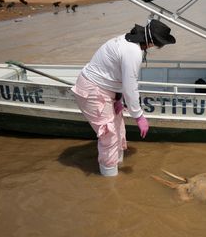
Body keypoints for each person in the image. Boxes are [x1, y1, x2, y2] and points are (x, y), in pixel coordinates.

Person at [71, 19, 176, 176]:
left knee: (119, 129)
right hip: (93, 90)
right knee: (109, 136)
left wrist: (118, 99)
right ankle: (109, 182)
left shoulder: (128, 40)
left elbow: (115, 73)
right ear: (153, 43)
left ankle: (115, 168)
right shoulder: (133, 51)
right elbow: (130, 86)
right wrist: (139, 116)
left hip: (106, 90)